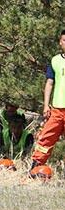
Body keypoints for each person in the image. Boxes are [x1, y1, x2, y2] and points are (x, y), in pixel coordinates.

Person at [32, 30, 65, 170]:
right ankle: (37, 166)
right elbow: (49, 83)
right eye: (64, 40)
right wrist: (46, 106)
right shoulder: (55, 60)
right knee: (46, 137)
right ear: (60, 42)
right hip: (57, 109)